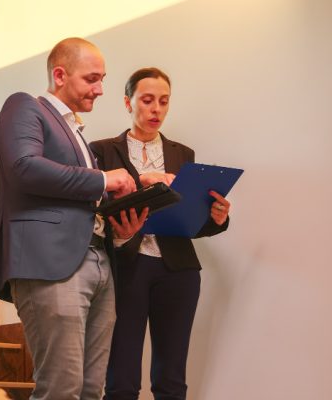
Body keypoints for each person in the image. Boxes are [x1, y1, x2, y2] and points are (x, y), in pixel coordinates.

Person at [0, 37, 147, 400]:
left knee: (91, 391)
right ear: (59, 75)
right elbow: (23, 167)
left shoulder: (77, 133)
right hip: (50, 263)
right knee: (61, 389)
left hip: (100, 262)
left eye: (102, 79)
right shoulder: (24, 106)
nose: (100, 89)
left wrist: (127, 210)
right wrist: (104, 179)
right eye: (91, 79)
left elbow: (80, 193)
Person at [90, 67, 232, 400]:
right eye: (147, 100)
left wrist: (217, 217)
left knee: (172, 382)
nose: (156, 109)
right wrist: (145, 183)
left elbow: (189, 220)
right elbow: (94, 213)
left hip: (178, 270)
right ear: (128, 102)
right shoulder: (101, 150)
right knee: (121, 380)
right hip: (126, 267)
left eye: (164, 101)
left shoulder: (184, 154)